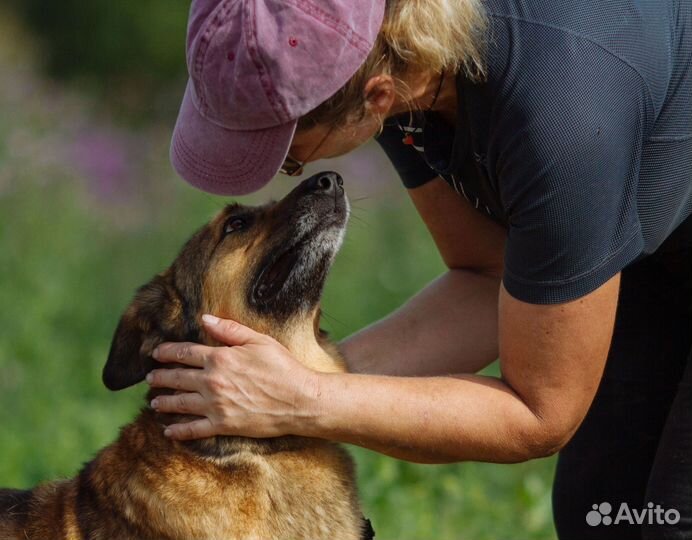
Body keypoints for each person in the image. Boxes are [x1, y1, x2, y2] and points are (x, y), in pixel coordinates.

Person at [147, 0, 692, 538]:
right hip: (646, 230)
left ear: (374, 97)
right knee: (601, 510)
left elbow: (540, 412)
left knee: (673, 521)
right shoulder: (386, 57)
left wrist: (303, 401)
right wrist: (296, 378)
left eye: (291, 156)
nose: (299, 172)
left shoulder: (560, 117)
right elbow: (487, 276)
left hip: (610, 143)